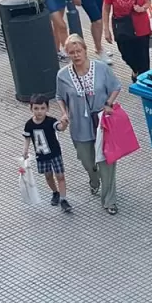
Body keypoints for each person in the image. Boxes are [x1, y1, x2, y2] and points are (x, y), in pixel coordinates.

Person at [56, 34, 123, 215]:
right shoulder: (63, 76)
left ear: (85, 50)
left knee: (107, 161)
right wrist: (64, 113)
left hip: (102, 122)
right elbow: (60, 96)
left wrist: (109, 103)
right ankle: (94, 179)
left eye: (79, 51)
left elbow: (116, 86)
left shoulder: (101, 69)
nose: (76, 55)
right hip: (80, 125)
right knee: (87, 160)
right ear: (68, 55)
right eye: (72, 52)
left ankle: (109, 200)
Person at [22, 94, 72, 214]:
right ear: (31, 109)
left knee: (60, 176)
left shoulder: (51, 121)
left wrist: (64, 123)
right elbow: (27, 138)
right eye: (36, 108)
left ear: (47, 109)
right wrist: (25, 150)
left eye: (42, 108)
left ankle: (64, 199)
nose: (39, 111)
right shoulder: (29, 124)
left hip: (55, 153)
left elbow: (59, 127)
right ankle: (55, 192)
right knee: (48, 176)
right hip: (41, 155)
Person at [103, 0, 152, 79]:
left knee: (143, 56)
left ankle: (144, 79)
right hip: (122, 26)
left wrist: (142, 8)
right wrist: (106, 29)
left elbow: (147, 0)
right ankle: (135, 70)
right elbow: (106, 8)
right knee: (126, 54)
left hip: (140, 26)